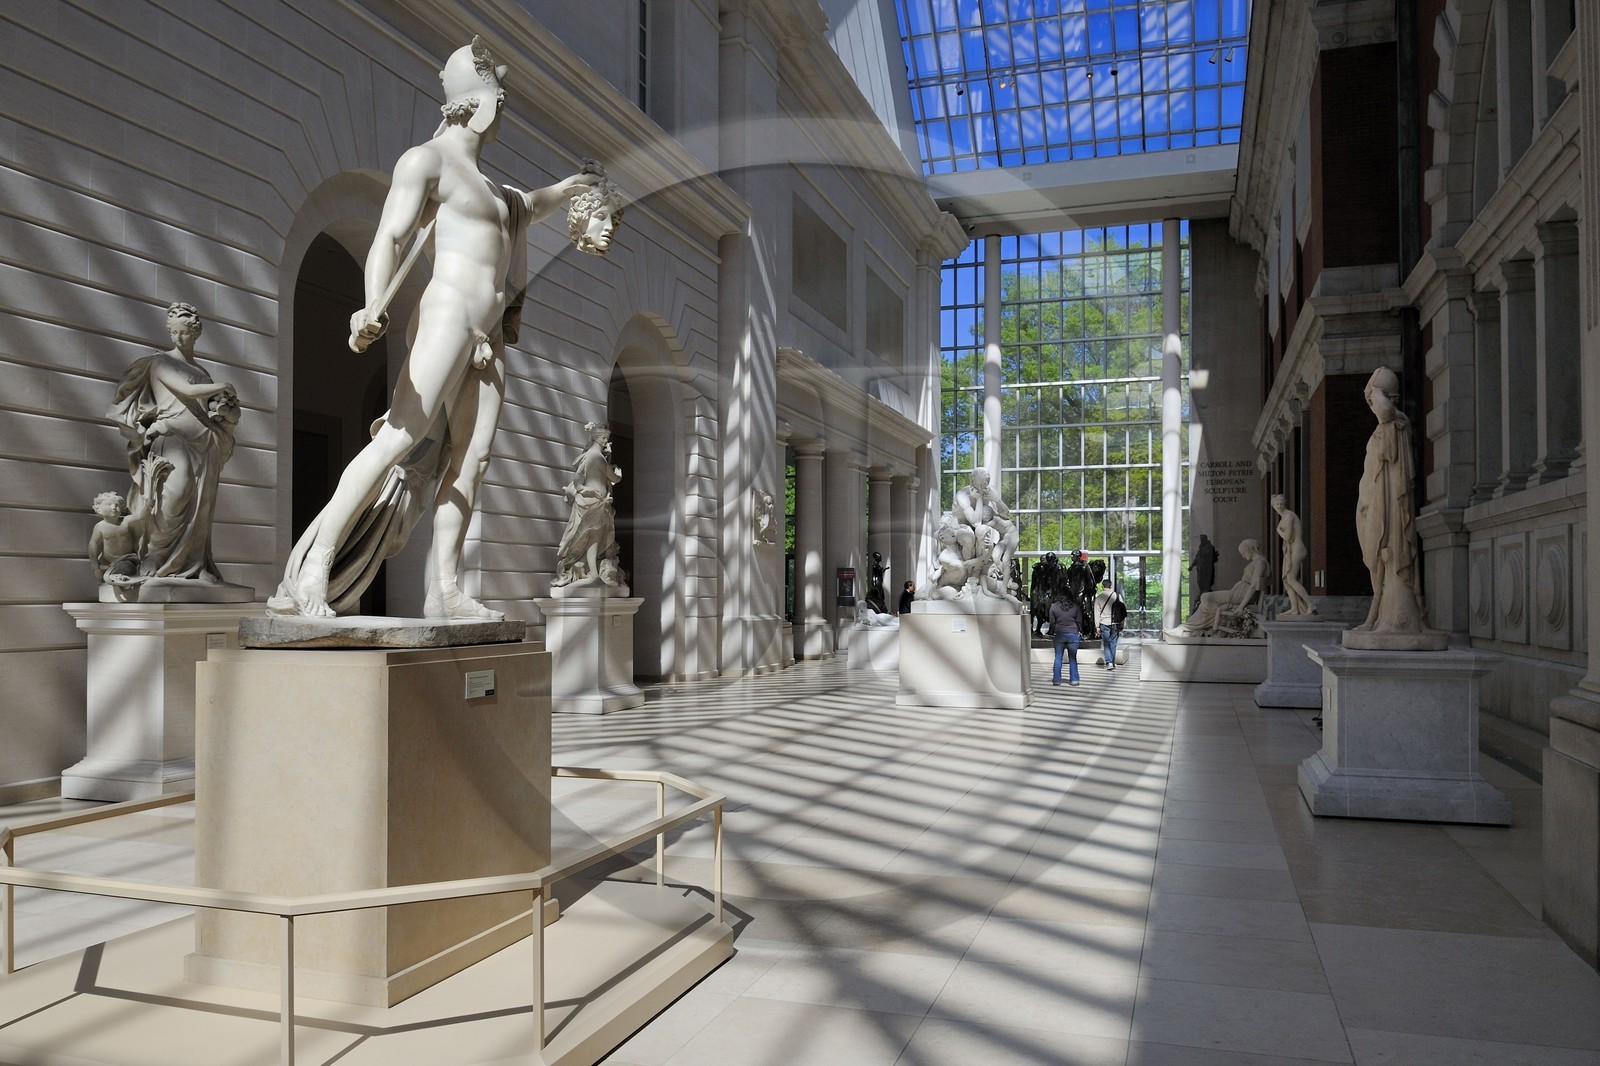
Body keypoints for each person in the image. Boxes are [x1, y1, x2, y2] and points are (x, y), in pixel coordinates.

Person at [271, 37, 609, 619]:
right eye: (499, 100)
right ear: (477, 103)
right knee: (399, 435)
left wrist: (574, 187)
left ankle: (444, 590)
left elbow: (537, 201)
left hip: (489, 336)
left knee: (470, 463)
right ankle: (317, 566)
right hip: (448, 316)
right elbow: (389, 238)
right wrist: (371, 302)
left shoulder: (497, 193)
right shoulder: (427, 161)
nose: (502, 112)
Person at [105, 303, 240, 585]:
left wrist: (227, 411)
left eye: (187, 331)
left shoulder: (202, 371)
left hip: (206, 442)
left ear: (196, 333)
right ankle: (155, 555)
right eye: (177, 332)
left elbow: (217, 411)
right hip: (173, 438)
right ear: (170, 332)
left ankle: (196, 563)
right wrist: (223, 385)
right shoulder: (160, 363)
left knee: (201, 509)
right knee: (171, 500)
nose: (181, 337)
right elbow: (188, 391)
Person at [1353, 366, 1426, 634]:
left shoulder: (1396, 422)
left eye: (1372, 397)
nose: (1370, 402)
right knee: (1374, 559)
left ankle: (1393, 619)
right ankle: (1376, 615)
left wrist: (1375, 387)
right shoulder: (1385, 427)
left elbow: (1384, 410)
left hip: (1390, 507)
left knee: (1388, 554)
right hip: (1373, 504)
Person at [553, 421, 623, 588]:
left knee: (593, 536)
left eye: (606, 438)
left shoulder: (590, 455)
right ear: (597, 438)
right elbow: (613, 478)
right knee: (594, 535)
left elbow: (578, 481)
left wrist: (586, 490)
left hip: (594, 501)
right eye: (604, 438)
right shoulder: (596, 457)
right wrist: (618, 474)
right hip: (594, 502)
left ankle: (587, 569)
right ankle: (592, 573)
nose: (606, 441)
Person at [952, 468, 1019, 595]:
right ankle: (972, 574)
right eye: (982, 482)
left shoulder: (990, 492)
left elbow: (1006, 514)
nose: (985, 485)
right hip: (961, 526)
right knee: (971, 536)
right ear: (973, 480)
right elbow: (976, 521)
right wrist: (978, 499)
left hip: (993, 531)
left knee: (983, 531)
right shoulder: (963, 495)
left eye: (987, 482)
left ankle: (984, 575)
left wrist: (997, 500)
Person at [1183, 538, 1270, 635]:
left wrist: (1241, 607)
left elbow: (1254, 586)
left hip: (1240, 595)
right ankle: (1188, 627)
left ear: (1251, 549)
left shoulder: (1260, 563)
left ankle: (1192, 627)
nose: (1243, 555)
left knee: (1206, 598)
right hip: (1237, 592)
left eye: (1244, 552)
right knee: (1204, 602)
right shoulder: (1257, 562)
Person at [1272, 493, 1316, 616]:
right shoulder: (1284, 517)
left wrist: (1278, 530)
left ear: (1284, 504)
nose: (1279, 506)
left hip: (1297, 549)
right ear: (1273, 507)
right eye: (1277, 504)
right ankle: (1295, 608)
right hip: (1291, 551)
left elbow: (1288, 537)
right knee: (1287, 580)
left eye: (1281, 503)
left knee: (1291, 578)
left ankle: (1311, 604)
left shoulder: (1288, 516)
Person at [1049, 594, 1083, 686]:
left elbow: (1052, 622)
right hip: (1073, 634)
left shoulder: (1053, 607)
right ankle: (1074, 680)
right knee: (1072, 658)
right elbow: (1079, 621)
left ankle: (1057, 680)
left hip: (1059, 634)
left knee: (1058, 657)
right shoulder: (1075, 607)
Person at [1093, 578, 1124, 670]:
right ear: (1111, 586)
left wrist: (1097, 626)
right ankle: (1112, 662)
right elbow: (1122, 611)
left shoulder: (1099, 597)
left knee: (1106, 643)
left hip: (1104, 623)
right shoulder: (1117, 596)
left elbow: (1096, 613)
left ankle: (1109, 662)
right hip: (1115, 622)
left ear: (1102, 586)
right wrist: (1122, 623)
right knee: (1113, 643)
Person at [1188, 533, 1219, 616]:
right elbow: (1197, 559)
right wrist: (1192, 566)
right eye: (1200, 539)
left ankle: (1205, 594)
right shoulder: (1200, 549)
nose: (1201, 540)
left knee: (1206, 581)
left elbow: (1212, 558)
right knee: (1200, 582)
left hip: (1207, 569)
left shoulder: (1209, 547)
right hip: (1200, 569)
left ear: (1205, 539)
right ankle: (1202, 594)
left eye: (1202, 539)